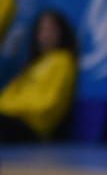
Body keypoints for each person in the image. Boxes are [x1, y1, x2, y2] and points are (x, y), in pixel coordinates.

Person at [0, 10, 77, 143]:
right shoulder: (32, 65)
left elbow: (47, 104)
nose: (45, 35)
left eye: (51, 29)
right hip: (10, 117)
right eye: (42, 29)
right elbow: (7, 96)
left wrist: (12, 108)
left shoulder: (63, 61)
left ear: (62, 32)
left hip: (31, 127)